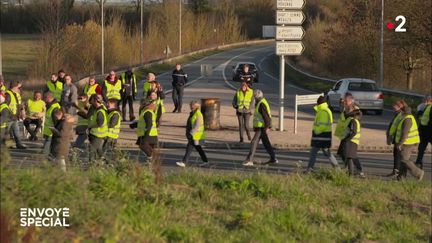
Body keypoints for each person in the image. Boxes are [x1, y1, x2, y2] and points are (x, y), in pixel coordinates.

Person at [305, 96, 339, 173]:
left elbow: (322, 125)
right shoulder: (325, 110)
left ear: (319, 103)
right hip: (324, 137)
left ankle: (310, 169)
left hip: (320, 136)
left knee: (317, 153)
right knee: (327, 153)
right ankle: (337, 169)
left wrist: (316, 131)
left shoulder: (323, 111)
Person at [243, 90, 277, 166]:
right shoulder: (261, 102)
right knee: (266, 143)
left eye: (254, 97)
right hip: (261, 127)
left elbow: (267, 117)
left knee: (254, 142)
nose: (254, 98)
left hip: (262, 127)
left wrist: (268, 127)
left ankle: (249, 160)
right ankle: (273, 158)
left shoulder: (261, 104)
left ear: (257, 97)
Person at [395, 106, 424, 181]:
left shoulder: (407, 120)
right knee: (403, 160)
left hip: (407, 143)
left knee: (404, 160)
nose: (400, 113)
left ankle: (418, 173)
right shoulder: (408, 118)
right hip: (409, 142)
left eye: (401, 111)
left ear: (403, 112)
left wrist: (400, 143)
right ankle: (401, 178)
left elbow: (405, 133)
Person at [176, 100, 208, 167]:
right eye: (190, 105)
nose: (191, 107)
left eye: (192, 105)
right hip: (194, 135)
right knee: (198, 148)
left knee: (189, 148)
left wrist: (191, 133)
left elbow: (197, 125)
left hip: (196, 135)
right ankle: (205, 161)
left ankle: (184, 162)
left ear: (196, 106)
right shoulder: (193, 113)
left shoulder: (198, 114)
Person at [130, 99, 158, 163]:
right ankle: (152, 159)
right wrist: (134, 125)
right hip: (149, 133)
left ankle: (151, 157)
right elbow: (142, 122)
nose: (140, 105)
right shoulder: (145, 111)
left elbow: (149, 124)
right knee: (148, 147)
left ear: (144, 104)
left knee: (143, 145)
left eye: (140, 104)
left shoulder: (147, 112)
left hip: (148, 134)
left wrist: (146, 133)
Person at [335, 93, 358, 166]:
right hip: (344, 135)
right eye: (343, 101)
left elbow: (355, 118)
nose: (344, 102)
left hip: (351, 137)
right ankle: (349, 169)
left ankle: (357, 171)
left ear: (351, 101)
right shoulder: (345, 109)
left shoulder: (355, 110)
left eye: (345, 101)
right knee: (343, 154)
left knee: (350, 156)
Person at [385, 100, 405, 177]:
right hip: (396, 138)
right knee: (396, 155)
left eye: (395, 106)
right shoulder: (397, 114)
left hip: (399, 139)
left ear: (399, 106)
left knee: (399, 156)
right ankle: (395, 171)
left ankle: (398, 172)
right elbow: (392, 126)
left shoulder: (401, 115)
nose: (393, 107)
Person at [5, 81, 26, 149]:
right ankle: (4, 145)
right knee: (6, 132)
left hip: (15, 117)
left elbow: (19, 105)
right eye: (18, 87)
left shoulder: (16, 94)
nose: (20, 89)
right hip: (9, 117)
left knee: (16, 131)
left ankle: (19, 144)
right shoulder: (8, 94)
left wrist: (22, 113)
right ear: (15, 87)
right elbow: (5, 106)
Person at [87, 94, 108, 164]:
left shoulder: (100, 111)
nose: (91, 103)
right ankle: (107, 163)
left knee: (92, 150)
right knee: (99, 151)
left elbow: (100, 123)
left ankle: (91, 164)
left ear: (96, 101)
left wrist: (91, 126)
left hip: (99, 135)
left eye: (92, 101)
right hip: (96, 134)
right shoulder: (98, 109)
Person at [344, 108, 364, 177]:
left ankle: (351, 173)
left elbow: (354, 132)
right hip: (355, 141)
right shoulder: (357, 121)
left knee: (349, 156)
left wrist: (348, 139)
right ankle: (359, 171)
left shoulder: (353, 121)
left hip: (352, 141)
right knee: (353, 156)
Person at [42, 91, 61, 155]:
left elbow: (56, 120)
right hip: (48, 130)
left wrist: (54, 130)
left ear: (49, 97)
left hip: (52, 131)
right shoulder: (50, 105)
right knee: (48, 145)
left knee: (48, 145)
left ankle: (45, 158)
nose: (43, 99)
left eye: (44, 98)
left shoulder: (54, 107)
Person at [415, 96, 432, 169]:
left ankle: (419, 162)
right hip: (424, 131)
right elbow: (422, 118)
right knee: (421, 147)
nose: (426, 101)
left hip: (430, 131)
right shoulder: (427, 107)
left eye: (428, 100)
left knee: (422, 147)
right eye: (425, 100)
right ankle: (418, 162)